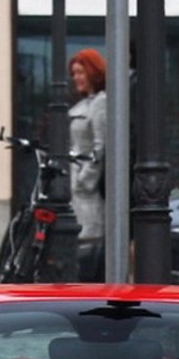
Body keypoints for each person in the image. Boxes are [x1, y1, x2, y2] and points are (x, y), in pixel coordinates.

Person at [67, 47, 107, 280]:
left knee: (88, 244)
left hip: (86, 188)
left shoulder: (100, 103)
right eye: (74, 73)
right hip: (74, 180)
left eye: (80, 72)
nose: (76, 78)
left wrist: (84, 182)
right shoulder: (85, 104)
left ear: (93, 72)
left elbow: (100, 146)